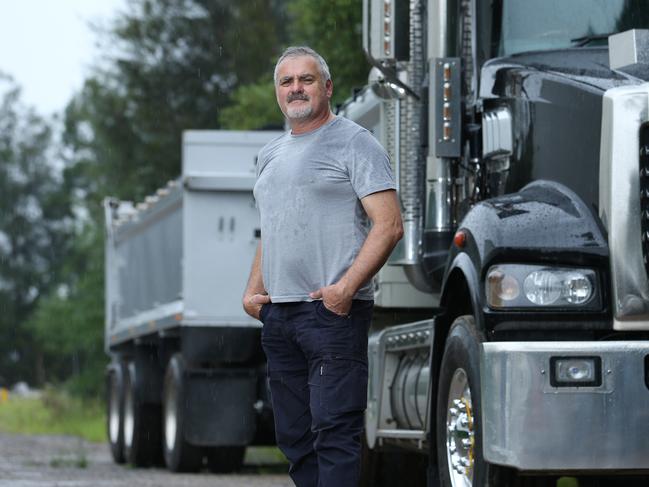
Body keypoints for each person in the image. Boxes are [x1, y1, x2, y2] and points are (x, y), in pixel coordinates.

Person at [242, 46, 403, 487]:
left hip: (330, 314)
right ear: (278, 92)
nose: (296, 88)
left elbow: (388, 225)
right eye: (287, 81)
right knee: (294, 437)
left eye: (306, 79)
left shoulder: (355, 142)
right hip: (281, 315)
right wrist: (252, 292)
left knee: (334, 431)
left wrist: (345, 289)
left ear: (327, 87)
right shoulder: (270, 155)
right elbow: (270, 228)